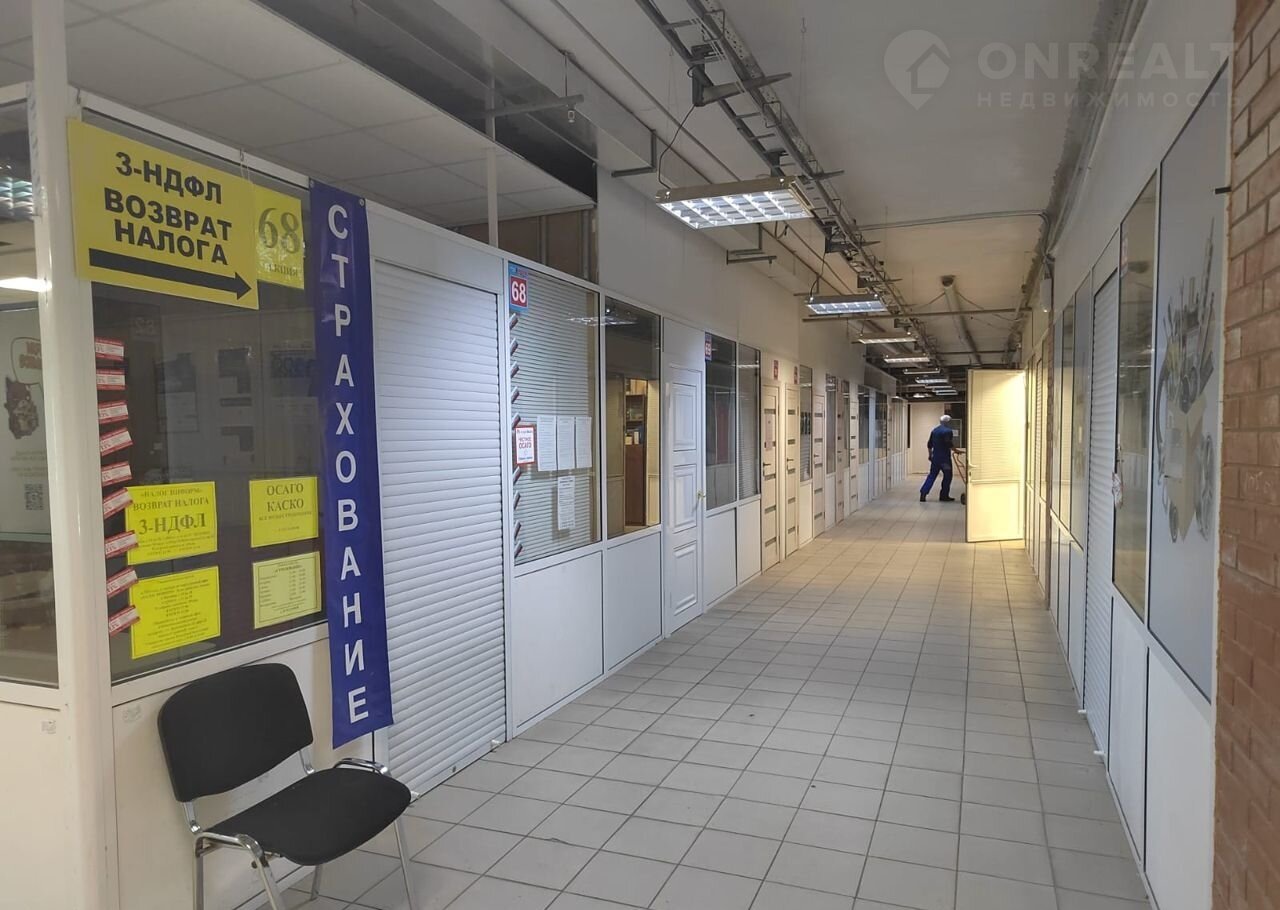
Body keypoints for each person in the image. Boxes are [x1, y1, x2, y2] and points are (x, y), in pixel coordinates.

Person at [920, 414, 957, 502]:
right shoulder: (948, 431)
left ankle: (923, 494)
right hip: (945, 460)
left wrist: (930, 455)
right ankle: (944, 495)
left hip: (935, 458)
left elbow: (929, 444)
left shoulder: (934, 430)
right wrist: (956, 450)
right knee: (947, 476)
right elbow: (948, 443)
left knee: (932, 475)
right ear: (947, 422)